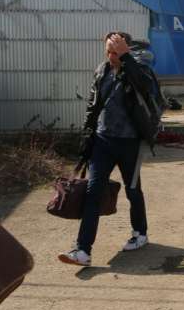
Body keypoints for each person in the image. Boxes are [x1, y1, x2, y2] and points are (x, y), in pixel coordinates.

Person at [59, 32, 155, 267]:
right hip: (102, 141)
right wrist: (87, 137)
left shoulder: (138, 68)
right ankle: (83, 250)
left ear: (126, 49)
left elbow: (146, 87)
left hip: (130, 142)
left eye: (116, 51)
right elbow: (93, 105)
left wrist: (126, 59)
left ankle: (140, 233)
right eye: (109, 52)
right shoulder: (102, 70)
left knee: (133, 191)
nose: (112, 56)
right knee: (93, 192)